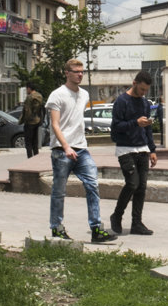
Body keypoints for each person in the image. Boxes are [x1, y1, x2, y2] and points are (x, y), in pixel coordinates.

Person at [47, 59, 118, 243]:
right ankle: (57, 228)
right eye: (75, 71)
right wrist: (66, 146)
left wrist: (76, 146)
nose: (79, 74)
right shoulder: (57, 95)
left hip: (81, 149)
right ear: (67, 73)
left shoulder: (85, 94)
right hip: (62, 150)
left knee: (92, 184)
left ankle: (96, 229)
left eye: (81, 71)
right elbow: (55, 124)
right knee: (59, 191)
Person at [109, 70, 159, 236]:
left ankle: (136, 223)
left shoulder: (144, 103)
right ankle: (116, 216)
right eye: (141, 89)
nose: (143, 93)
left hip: (142, 149)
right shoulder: (121, 102)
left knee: (141, 187)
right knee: (132, 183)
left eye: (146, 90)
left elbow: (148, 129)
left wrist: (152, 150)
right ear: (134, 84)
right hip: (125, 149)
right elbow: (115, 129)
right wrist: (135, 123)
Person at [21, 83, 45, 158]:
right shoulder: (39, 96)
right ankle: (36, 159)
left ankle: (30, 159)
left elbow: (27, 110)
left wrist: (25, 119)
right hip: (37, 121)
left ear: (29, 88)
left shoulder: (30, 97)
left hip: (30, 122)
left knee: (28, 143)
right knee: (35, 143)